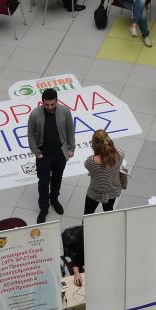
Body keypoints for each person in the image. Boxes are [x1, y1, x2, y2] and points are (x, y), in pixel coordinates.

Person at [27, 88, 76, 223]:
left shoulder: (65, 111)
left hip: (60, 153)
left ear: (56, 101)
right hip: (43, 154)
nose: (49, 107)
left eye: (52, 104)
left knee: (57, 178)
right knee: (43, 182)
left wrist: (71, 148)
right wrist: (36, 152)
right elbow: (30, 135)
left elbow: (70, 130)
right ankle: (44, 208)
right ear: (42, 102)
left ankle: (54, 199)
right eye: (46, 104)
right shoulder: (35, 114)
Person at [83, 129, 125, 214]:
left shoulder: (90, 161)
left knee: (88, 214)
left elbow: (90, 168)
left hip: (94, 192)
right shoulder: (120, 153)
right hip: (111, 191)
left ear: (95, 145)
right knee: (108, 213)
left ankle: (86, 228)